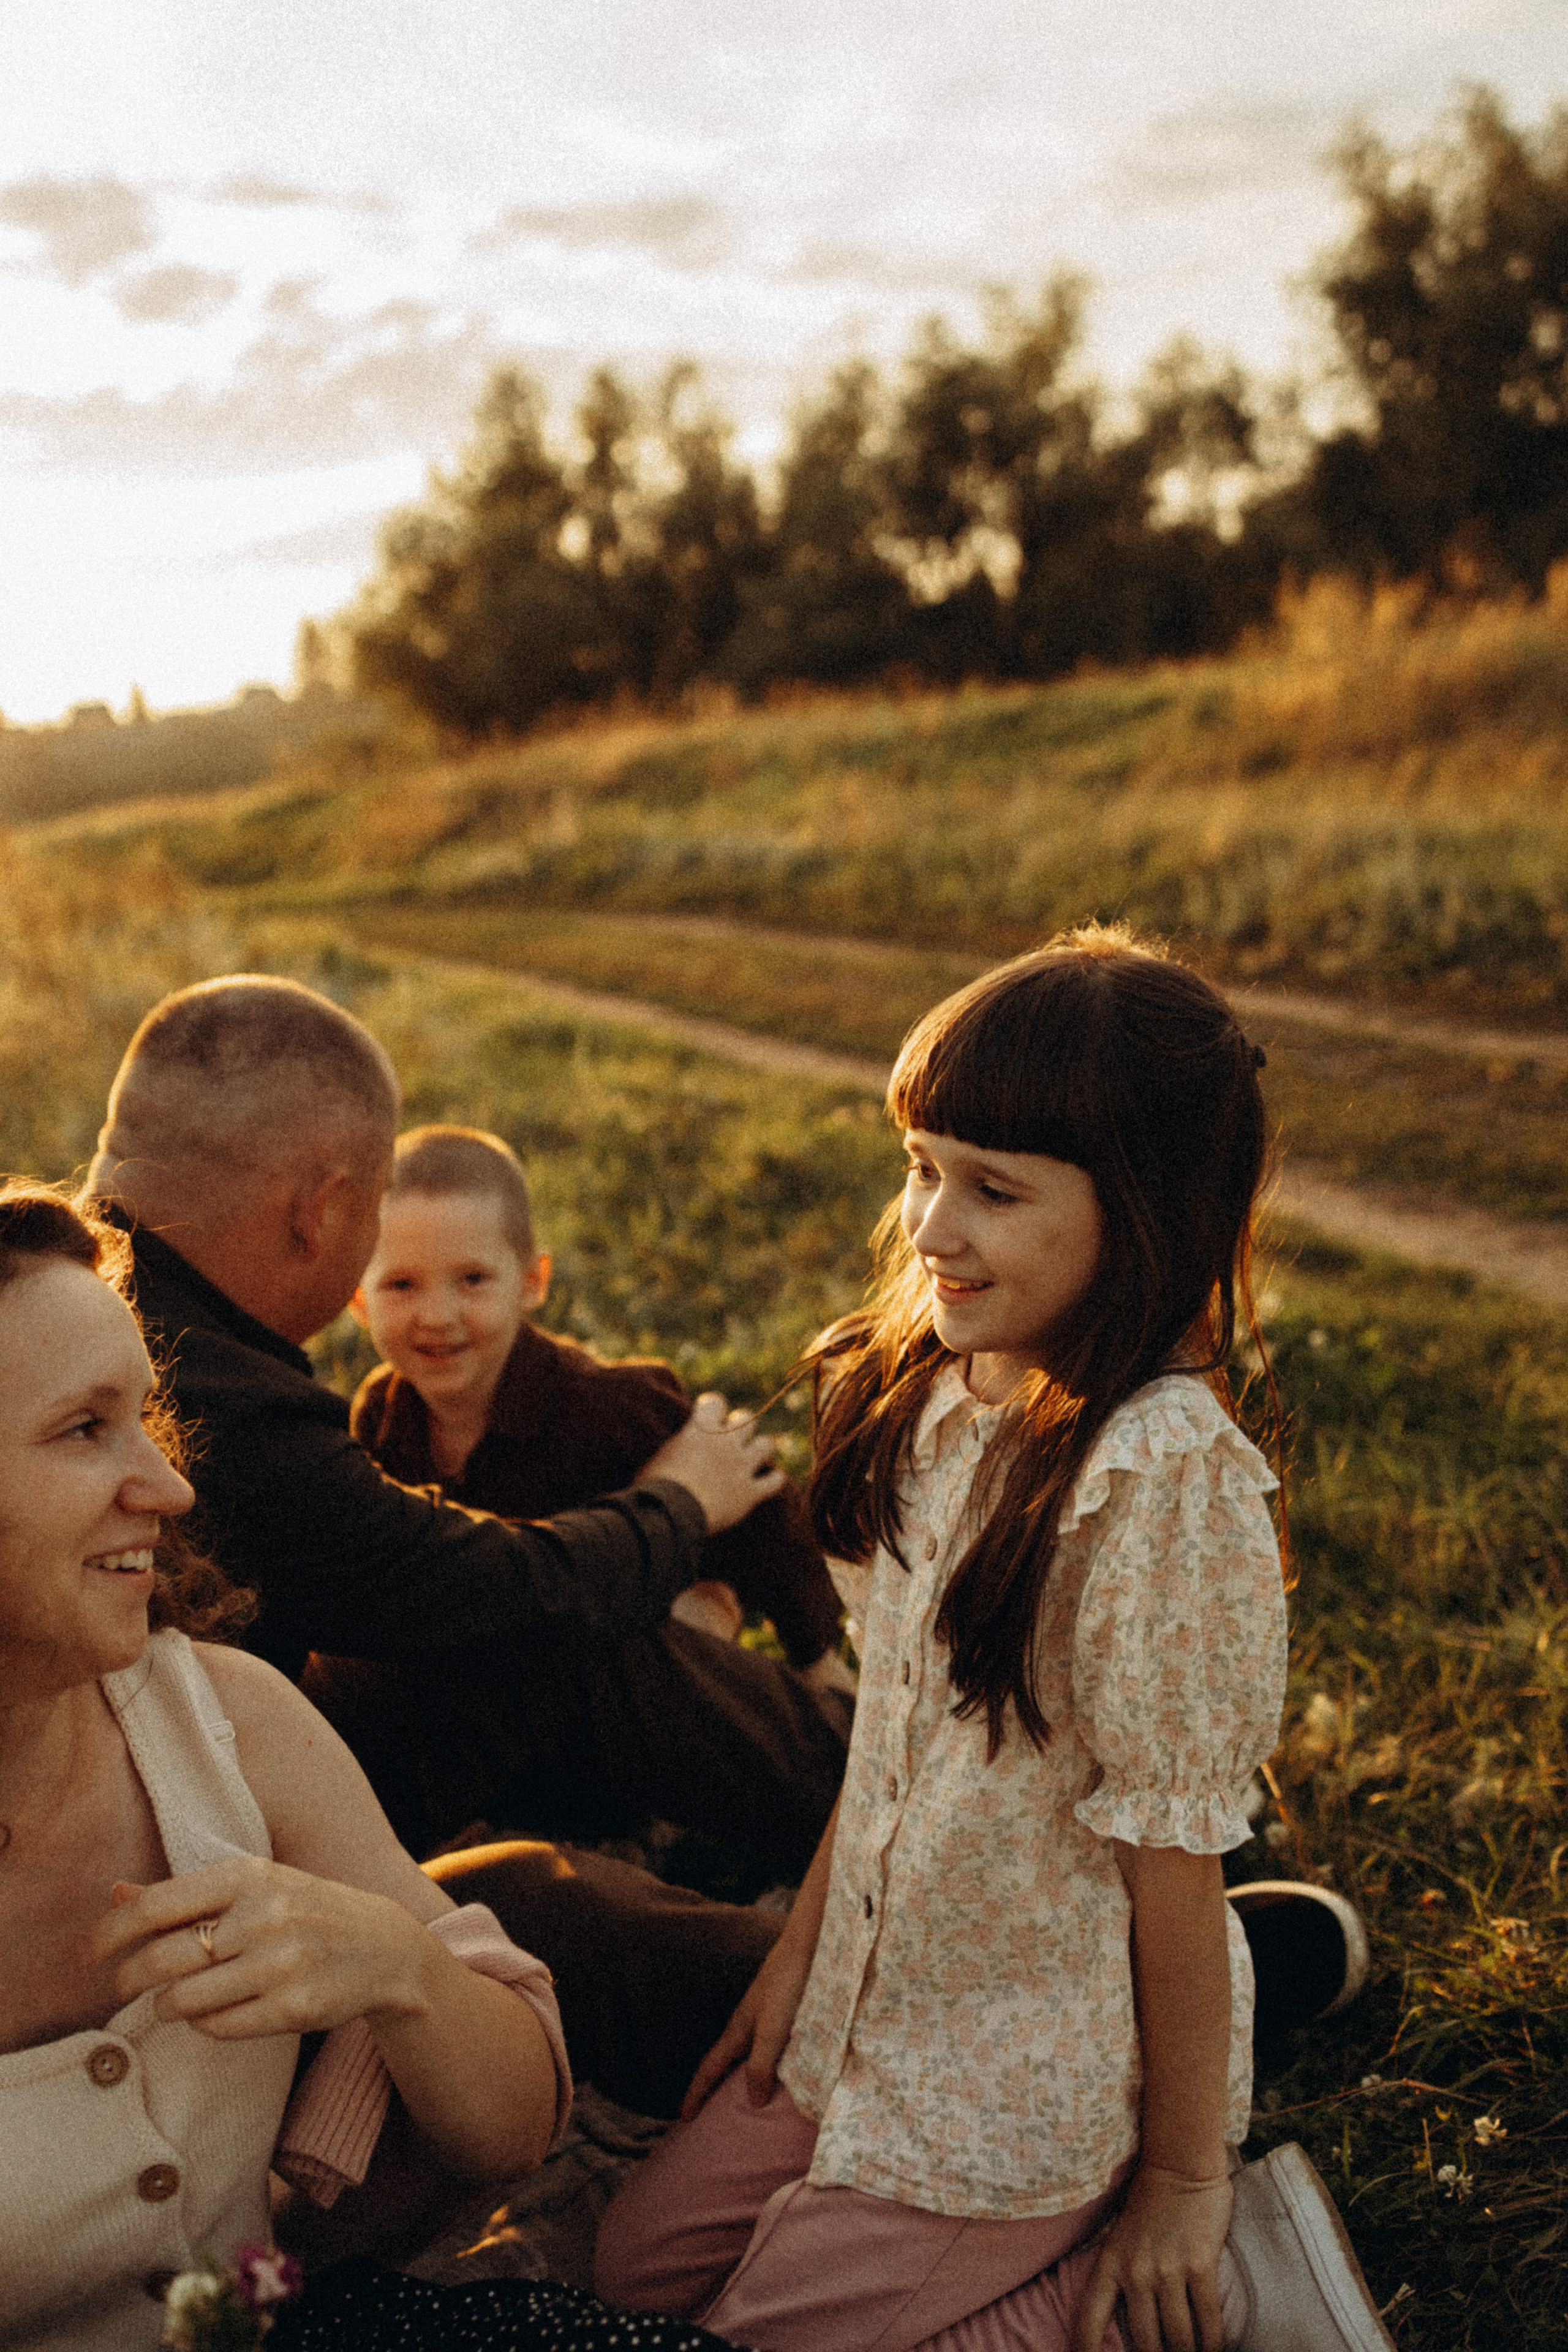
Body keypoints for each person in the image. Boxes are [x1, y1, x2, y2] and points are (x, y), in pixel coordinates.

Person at [595, 929, 1394, 2352]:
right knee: (629, 2273)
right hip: (864, 2013)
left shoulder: (1157, 1479)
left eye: (992, 1189)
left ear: (1139, 1212)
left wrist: (1175, 2178)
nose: (927, 1226)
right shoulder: (936, 1393)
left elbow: (1170, 1867)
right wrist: (798, 1959)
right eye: (921, 1166)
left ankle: (1164, 2295)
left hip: (1011, 2087)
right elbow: (892, 1734)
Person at [0, 1182, 736, 2352]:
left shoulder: (227, 1721)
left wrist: (396, 1963)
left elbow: (510, 2130)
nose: (172, 1485)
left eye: (147, 1417)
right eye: (85, 1429)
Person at [349, 1123, 854, 1689]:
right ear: (358, 1299)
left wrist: (811, 1646)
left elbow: (758, 1498)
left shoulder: (605, 1404)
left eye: (472, 1279)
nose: (438, 1315)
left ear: (531, 1282)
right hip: (507, 1647)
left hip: (641, 1646)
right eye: (401, 1285)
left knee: (672, 1636)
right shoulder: (381, 1415)